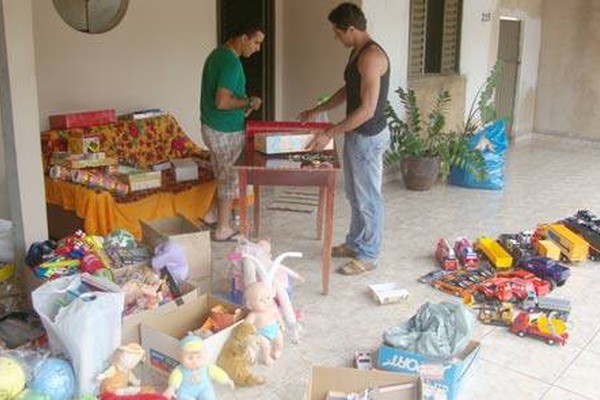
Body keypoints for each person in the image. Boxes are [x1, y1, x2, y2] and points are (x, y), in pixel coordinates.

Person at [298, 2, 391, 276]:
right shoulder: (357, 52)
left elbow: (367, 109)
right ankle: (354, 244)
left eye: (338, 32)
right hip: (356, 134)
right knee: (354, 194)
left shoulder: (372, 56)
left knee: (368, 197)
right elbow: (349, 90)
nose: (336, 37)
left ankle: (369, 253)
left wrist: (328, 133)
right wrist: (318, 109)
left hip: (369, 137)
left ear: (351, 28)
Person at [200, 23, 265, 242]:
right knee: (229, 179)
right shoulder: (231, 62)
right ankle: (223, 229)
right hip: (224, 130)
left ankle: (212, 215)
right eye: (256, 42)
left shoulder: (217, 54)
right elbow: (222, 101)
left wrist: (242, 105)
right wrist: (249, 101)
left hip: (212, 126)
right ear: (243, 37)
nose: (257, 48)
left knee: (222, 174)